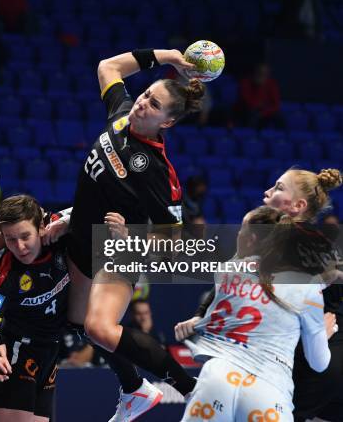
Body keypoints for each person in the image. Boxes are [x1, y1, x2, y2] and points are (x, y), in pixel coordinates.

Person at [45, 47, 205, 420]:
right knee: (77, 323)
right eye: (146, 95)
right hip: (83, 238)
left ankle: (191, 390)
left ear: (167, 122)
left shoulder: (157, 172)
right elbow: (108, 66)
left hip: (119, 250)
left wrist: (130, 237)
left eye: (153, 105)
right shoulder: (121, 116)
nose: (142, 104)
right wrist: (167, 57)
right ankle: (134, 389)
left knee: (99, 328)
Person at [176, 167, 343, 421]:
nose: (266, 192)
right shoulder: (261, 236)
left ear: (298, 205)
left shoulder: (312, 246)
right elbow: (226, 282)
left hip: (318, 351)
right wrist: (201, 315)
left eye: (278, 188)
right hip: (277, 359)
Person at [0, 195, 70, 422]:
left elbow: (91, 207)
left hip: (50, 352)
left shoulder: (60, 231)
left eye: (25, 236)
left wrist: (69, 222)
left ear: (41, 227)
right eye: (9, 239)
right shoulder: (5, 273)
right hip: (15, 355)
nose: (19, 247)